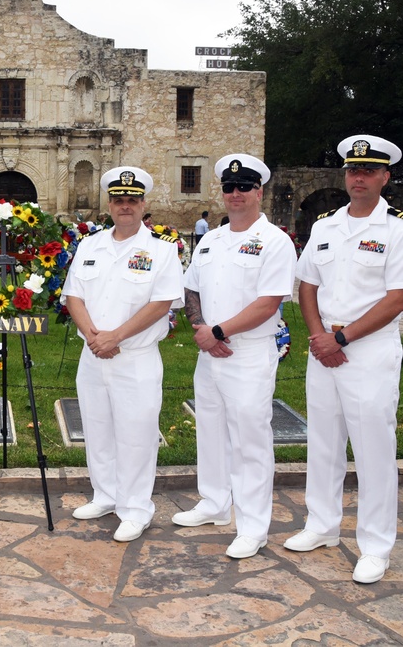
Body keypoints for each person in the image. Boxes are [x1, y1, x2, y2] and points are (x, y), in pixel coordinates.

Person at [284, 134, 403, 584]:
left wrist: (341, 338)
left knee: (372, 450)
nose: (358, 177)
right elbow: (307, 285)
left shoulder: (401, 229)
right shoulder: (325, 226)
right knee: (323, 442)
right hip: (324, 347)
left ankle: (376, 545)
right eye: (352, 170)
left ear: (385, 176)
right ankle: (322, 525)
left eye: (368, 170)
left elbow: (398, 297)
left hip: (368, 350)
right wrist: (318, 336)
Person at [172, 154, 297, 559]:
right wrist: (201, 329)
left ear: (259, 192)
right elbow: (192, 290)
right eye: (229, 187)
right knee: (210, 428)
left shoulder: (275, 241)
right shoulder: (211, 239)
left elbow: (270, 302)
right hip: (209, 349)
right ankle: (213, 503)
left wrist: (220, 332)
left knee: (250, 440)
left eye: (244, 187)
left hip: (248, 353)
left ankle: (253, 526)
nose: (235, 194)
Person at [61, 166, 183, 542]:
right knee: (97, 428)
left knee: (136, 433)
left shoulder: (161, 251)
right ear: (109, 204)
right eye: (118, 199)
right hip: (93, 353)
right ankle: (106, 494)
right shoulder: (90, 246)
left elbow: (162, 303)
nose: (125, 206)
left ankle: (135, 508)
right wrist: (94, 336)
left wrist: (115, 337)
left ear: (143, 204)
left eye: (132, 200)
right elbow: (74, 295)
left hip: (135, 357)